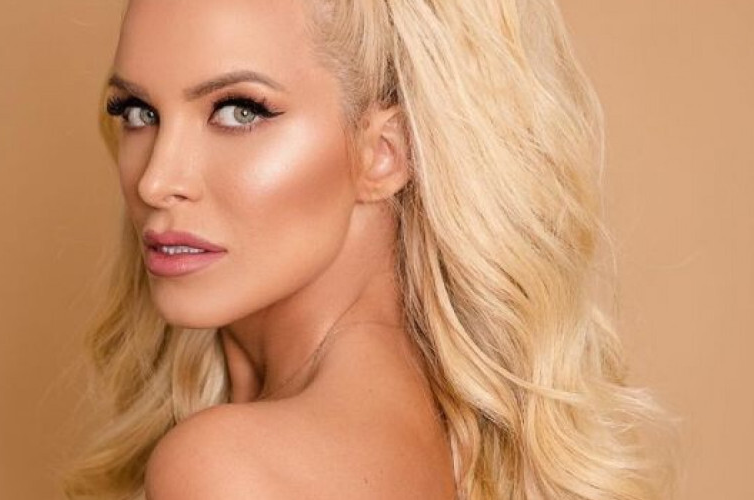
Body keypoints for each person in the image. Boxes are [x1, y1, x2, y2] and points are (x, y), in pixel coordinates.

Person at [67, 0, 672, 499]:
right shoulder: (459, 446)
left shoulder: (226, 469)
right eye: (138, 112)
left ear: (384, 152)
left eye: (238, 111)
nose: (156, 181)